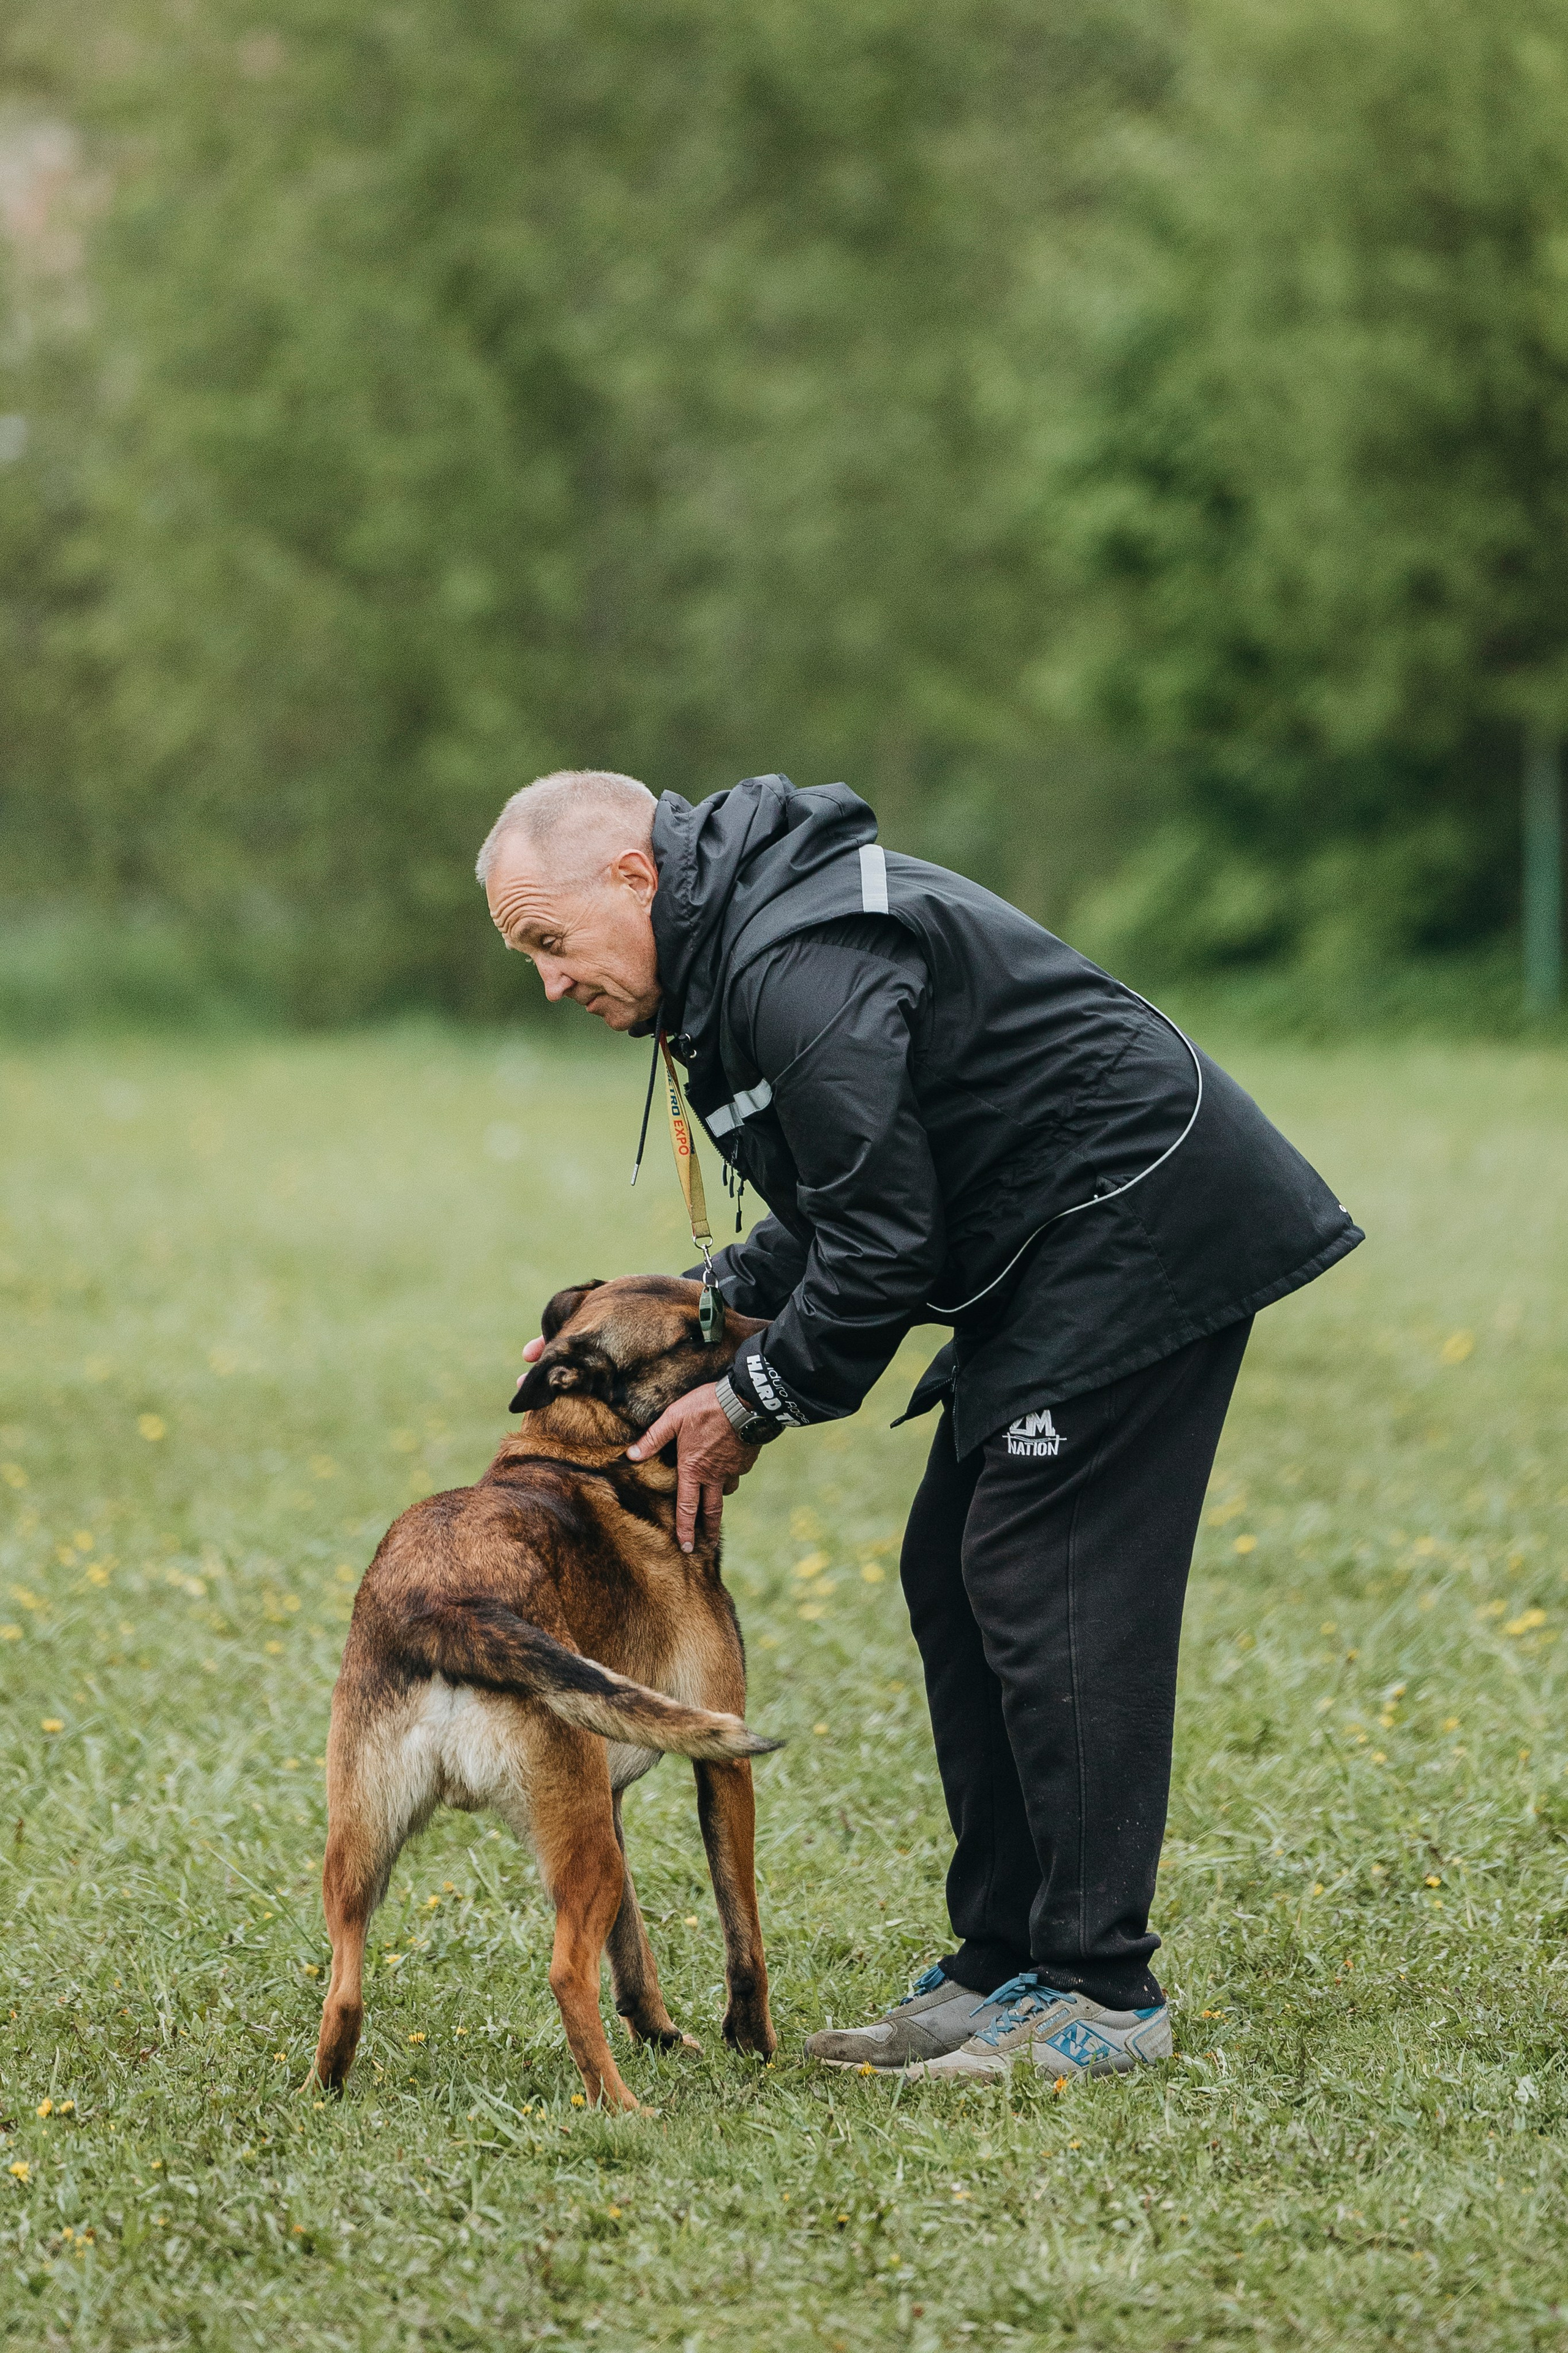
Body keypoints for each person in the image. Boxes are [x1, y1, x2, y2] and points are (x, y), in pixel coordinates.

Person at [478, 766, 1362, 2084]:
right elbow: (859, 1195)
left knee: (1036, 1570)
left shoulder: (792, 965)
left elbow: (887, 1246)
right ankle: (1000, 1962)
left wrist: (755, 1398)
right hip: (1043, 1240)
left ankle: (1098, 1993)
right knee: (951, 1569)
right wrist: (703, 1303)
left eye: (548, 942)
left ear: (632, 877)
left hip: (1133, 1223)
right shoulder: (739, 960)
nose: (549, 983)